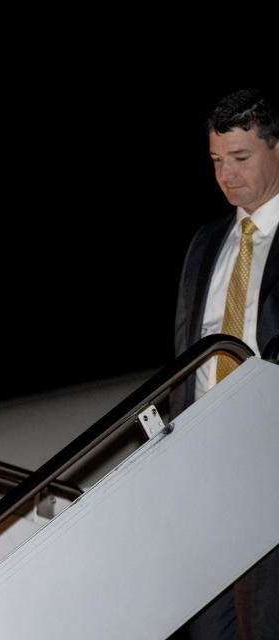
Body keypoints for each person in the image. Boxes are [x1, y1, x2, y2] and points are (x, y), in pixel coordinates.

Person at [172, 89, 278, 639]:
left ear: (278, 149)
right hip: (205, 467)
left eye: (240, 159)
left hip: (269, 468)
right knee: (206, 626)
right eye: (216, 161)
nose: (226, 176)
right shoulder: (205, 241)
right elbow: (183, 363)